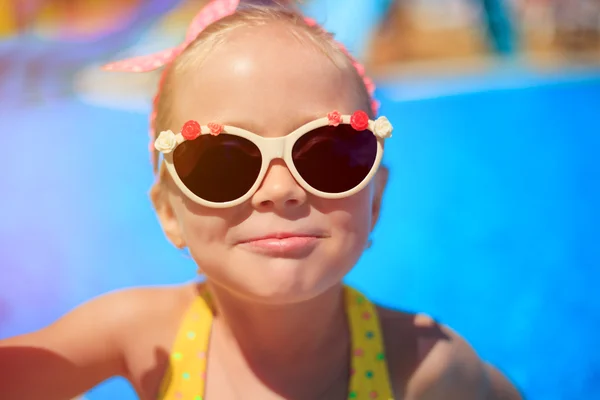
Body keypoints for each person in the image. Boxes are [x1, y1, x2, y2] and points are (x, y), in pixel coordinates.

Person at [0, 1, 522, 399]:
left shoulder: (421, 364)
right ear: (168, 214)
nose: (281, 190)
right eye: (222, 160)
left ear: (375, 198)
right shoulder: (136, 334)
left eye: (330, 151)